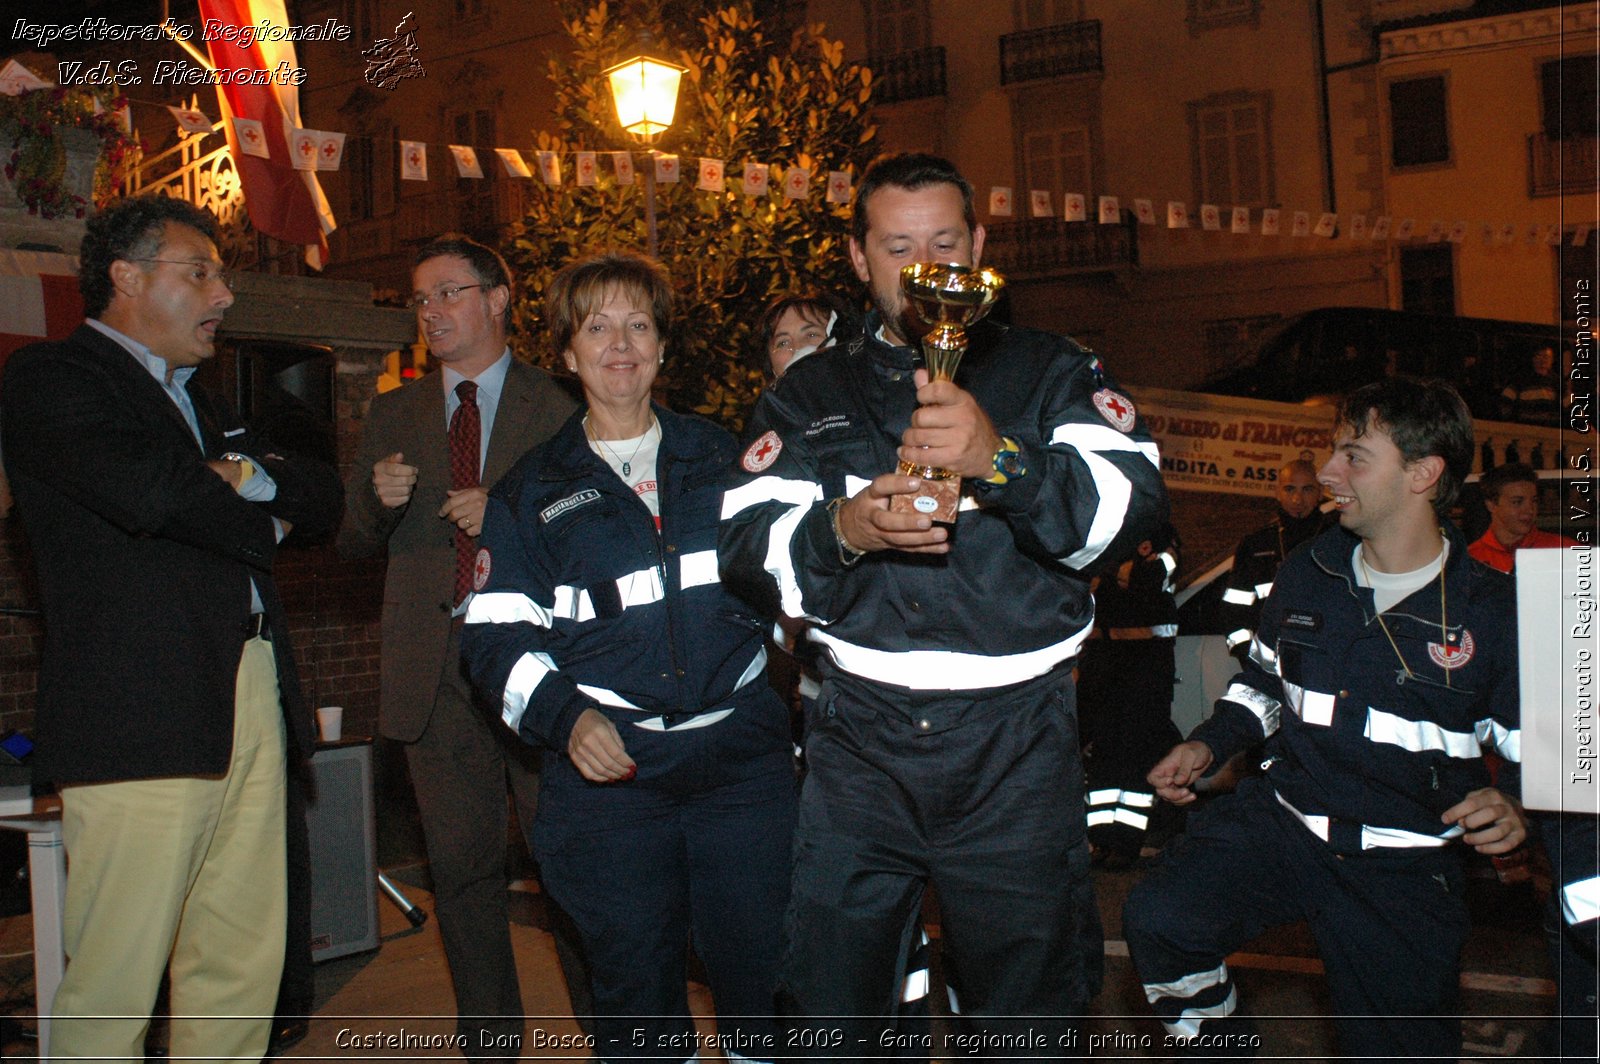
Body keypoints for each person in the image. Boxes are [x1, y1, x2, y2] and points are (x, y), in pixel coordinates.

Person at [719, 151, 1169, 1052]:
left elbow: (1130, 516)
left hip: (1020, 745)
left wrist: (1003, 462)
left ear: (981, 244)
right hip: (857, 745)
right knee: (828, 1008)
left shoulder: (1053, 370)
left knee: (1028, 1016)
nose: (925, 268)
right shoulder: (811, 391)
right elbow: (744, 546)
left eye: (946, 243)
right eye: (897, 246)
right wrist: (843, 527)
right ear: (858, 258)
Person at [0, 194, 342, 1059]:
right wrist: (251, 500)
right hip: (140, 716)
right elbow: (155, 495)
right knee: (115, 981)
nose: (224, 295)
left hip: (254, 698)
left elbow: (323, 495)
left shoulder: (208, 400)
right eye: (201, 273)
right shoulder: (55, 380)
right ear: (125, 277)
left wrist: (238, 477)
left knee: (240, 964)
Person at [1123, 376, 1526, 1059]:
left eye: (1354, 455)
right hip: (1285, 824)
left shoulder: (1496, 610)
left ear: (1424, 473)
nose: (1330, 472)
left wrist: (1515, 803)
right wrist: (1211, 743)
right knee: (1161, 919)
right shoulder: (1309, 570)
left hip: (1401, 870)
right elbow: (1266, 685)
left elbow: (1549, 750)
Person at [462, 251, 796, 1063]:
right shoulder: (530, 492)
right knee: (636, 994)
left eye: (638, 325)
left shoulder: (730, 459)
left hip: (742, 768)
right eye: (597, 326)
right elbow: (495, 638)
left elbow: (795, 576)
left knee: (765, 983)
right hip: (613, 781)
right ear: (568, 353)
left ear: (660, 346)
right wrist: (565, 717)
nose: (621, 344)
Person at [336, 233, 581, 1056]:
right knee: (464, 876)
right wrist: (375, 500)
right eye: (422, 299)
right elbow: (353, 543)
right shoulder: (395, 412)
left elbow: (599, 531)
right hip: (433, 676)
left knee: (575, 871)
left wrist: (508, 518)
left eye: (449, 293)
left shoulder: (561, 406)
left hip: (544, 673)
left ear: (499, 297)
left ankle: (616, 1034)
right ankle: (491, 1042)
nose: (432, 312)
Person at [1078, 522, 1183, 869]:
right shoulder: (1105, 527)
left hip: (1146, 668)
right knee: (1103, 757)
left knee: (1137, 758)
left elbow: (1147, 578)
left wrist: (1117, 571)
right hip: (1102, 665)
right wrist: (1116, 570)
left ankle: (1126, 842)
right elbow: (1084, 577)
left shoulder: (1162, 536)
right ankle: (1100, 840)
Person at [1218, 459, 1325, 662]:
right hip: (1269, 658)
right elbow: (1234, 607)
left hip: (1322, 658)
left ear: (1320, 493)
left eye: (1307, 490)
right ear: (1277, 492)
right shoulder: (1256, 544)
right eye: (1289, 489)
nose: (1297, 499)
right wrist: (1247, 654)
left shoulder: (1337, 541)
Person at [1467, 461, 1575, 573]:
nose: (1530, 510)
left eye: (1534, 501)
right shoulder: (1471, 559)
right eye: (1517, 502)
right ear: (1491, 505)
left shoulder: (1564, 550)